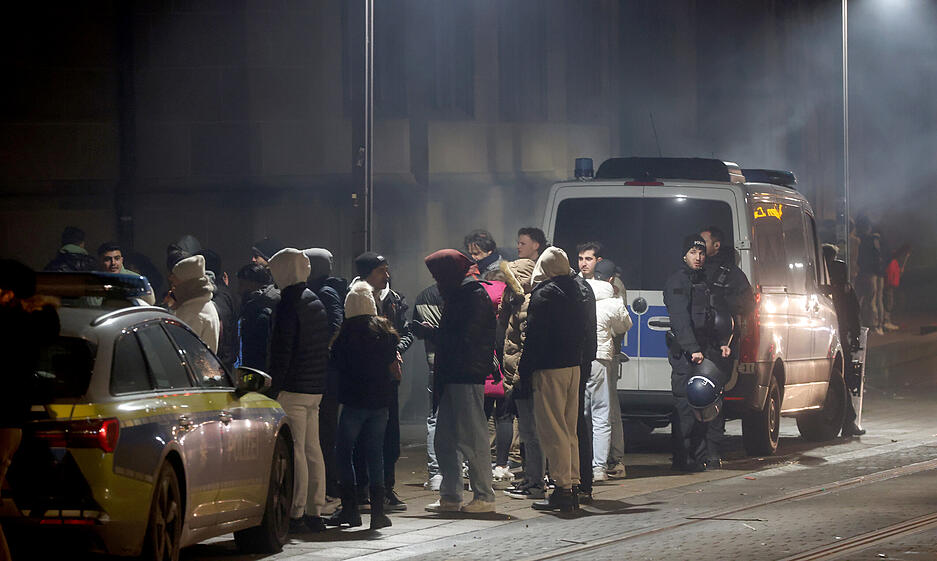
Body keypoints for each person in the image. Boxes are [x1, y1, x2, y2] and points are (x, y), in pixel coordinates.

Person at [411, 249, 497, 514]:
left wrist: (430, 333)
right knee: (446, 439)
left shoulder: (472, 296)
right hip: (453, 374)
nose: (436, 282)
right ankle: (451, 495)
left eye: (439, 276)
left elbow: (463, 339)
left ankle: (484, 496)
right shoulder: (465, 294)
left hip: (464, 373)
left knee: (472, 437)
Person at [519, 247, 589, 512]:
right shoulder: (578, 291)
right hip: (573, 366)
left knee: (553, 430)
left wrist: (525, 371)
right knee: (569, 429)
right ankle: (572, 481)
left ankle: (562, 489)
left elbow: (534, 339)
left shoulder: (544, 295)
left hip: (549, 368)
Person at [267, 248, 331, 533]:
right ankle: (315, 510)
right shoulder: (314, 299)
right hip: (315, 386)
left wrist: (274, 388)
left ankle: (296, 511)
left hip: (293, 387)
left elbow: (283, 351)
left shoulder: (288, 303)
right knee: (313, 449)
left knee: (296, 449)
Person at [0, 260, 60, 561]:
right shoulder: (30, 322)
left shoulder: (15, 325)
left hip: (6, 419)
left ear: (8, 293)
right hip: (13, 420)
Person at [329, 281, 400, 530]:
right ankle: (378, 513)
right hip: (380, 402)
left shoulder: (345, 336)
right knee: (375, 454)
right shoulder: (386, 334)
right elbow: (393, 367)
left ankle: (350, 509)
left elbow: (335, 366)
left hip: (353, 402)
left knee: (343, 452)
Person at [664, 235, 733, 472]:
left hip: (706, 352)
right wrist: (692, 349)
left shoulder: (705, 281)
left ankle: (704, 456)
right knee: (685, 406)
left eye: (701, 253)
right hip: (686, 355)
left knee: (708, 404)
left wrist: (722, 341)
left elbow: (716, 315)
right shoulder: (678, 281)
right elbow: (680, 320)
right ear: (685, 255)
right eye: (693, 252)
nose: (698, 257)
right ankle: (683, 458)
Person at [351, 252, 412, 511]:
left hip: (389, 378)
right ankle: (362, 489)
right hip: (364, 378)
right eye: (381, 271)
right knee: (363, 435)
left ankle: (387, 487)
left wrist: (397, 348)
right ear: (367, 273)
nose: (386, 275)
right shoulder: (355, 298)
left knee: (390, 435)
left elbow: (405, 332)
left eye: (387, 270)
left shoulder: (394, 299)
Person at [700, 225, 754, 467]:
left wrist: (722, 303)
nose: (698, 249)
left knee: (712, 397)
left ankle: (712, 451)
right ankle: (691, 452)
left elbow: (748, 303)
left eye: (703, 242)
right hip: (695, 345)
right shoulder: (692, 272)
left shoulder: (730, 274)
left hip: (719, 344)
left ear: (716, 245)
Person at [499, 258, 546, 500]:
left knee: (531, 432)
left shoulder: (527, 305)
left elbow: (525, 347)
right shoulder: (518, 304)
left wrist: (517, 379)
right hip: (520, 377)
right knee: (529, 432)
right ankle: (532, 478)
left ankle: (536, 482)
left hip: (525, 379)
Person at [584, 259, 632, 482]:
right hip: (601, 360)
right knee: (602, 414)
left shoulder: (581, 293)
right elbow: (625, 326)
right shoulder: (613, 302)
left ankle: (581, 462)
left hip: (579, 359)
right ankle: (598, 468)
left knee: (581, 414)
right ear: (612, 279)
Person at [304, 248, 346, 501]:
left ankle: (330, 485)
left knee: (325, 431)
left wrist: (322, 350)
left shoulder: (325, 292)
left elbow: (336, 326)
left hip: (327, 372)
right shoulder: (323, 289)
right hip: (327, 369)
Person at [821, 245, 866, 437]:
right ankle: (848, 423)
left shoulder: (821, 288)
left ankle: (846, 421)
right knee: (843, 381)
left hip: (824, 337)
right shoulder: (844, 288)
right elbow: (854, 314)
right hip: (841, 336)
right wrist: (855, 335)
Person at [413, 282, 444, 491]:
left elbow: (417, 330)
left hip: (434, 360)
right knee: (463, 419)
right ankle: (460, 469)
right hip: (460, 365)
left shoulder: (424, 295)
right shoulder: (460, 293)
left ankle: (436, 473)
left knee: (435, 418)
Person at [168, 255, 221, 352]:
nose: (172, 290)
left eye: (175, 285)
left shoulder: (193, 314)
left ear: (186, 285)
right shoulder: (204, 304)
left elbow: (178, 351)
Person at [197, 249, 238, 370]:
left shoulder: (213, 297)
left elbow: (222, 330)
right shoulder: (227, 293)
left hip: (216, 365)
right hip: (223, 362)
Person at [235, 263, 279, 370]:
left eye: (242, 284)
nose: (239, 291)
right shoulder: (256, 306)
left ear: (253, 284)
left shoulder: (261, 311)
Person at [856, 224, 884, 334]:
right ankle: (873, 325)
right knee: (871, 300)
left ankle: (860, 324)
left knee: (859, 299)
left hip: (861, 272)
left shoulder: (858, 240)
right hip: (871, 274)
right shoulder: (873, 240)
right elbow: (877, 257)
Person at [883, 244, 911, 332]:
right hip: (889, 283)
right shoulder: (891, 259)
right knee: (888, 302)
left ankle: (888, 320)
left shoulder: (894, 260)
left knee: (889, 301)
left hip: (891, 283)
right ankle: (886, 321)